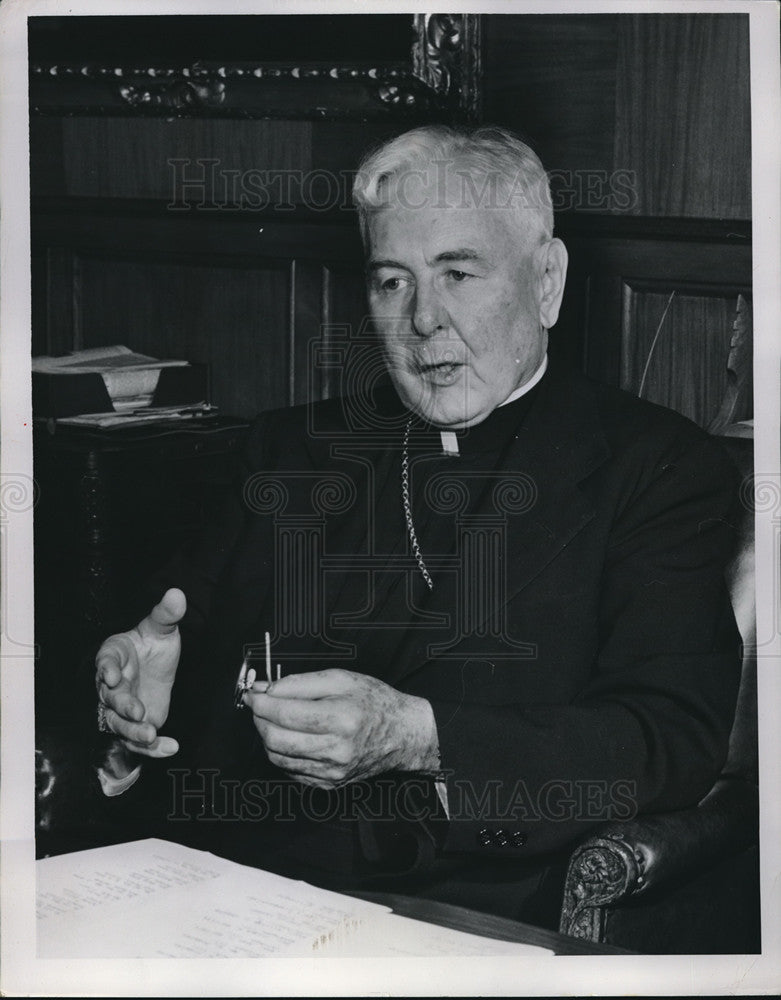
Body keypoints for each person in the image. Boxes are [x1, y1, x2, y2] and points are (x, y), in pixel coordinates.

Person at [94, 125, 741, 927]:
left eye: (458, 273)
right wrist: (142, 706)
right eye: (391, 281)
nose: (423, 319)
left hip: (465, 906)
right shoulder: (286, 450)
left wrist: (417, 736)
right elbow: (192, 681)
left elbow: (665, 741)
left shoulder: (657, 469)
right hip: (232, 889)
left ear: (545, 281)